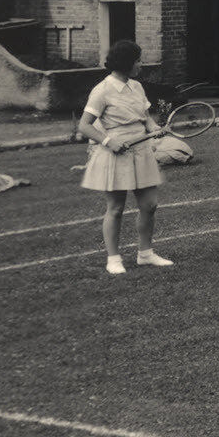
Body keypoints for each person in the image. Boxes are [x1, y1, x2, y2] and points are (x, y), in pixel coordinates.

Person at [77, 40, 173, 273]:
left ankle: (145, 254)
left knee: (149, 205)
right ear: (126, 63)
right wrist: (109, 141)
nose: (141, 65)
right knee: (116, 208)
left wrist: (154, 129)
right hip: (115, 152)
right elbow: (84, 125)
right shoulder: (102, 90)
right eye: (138, 61)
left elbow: (145, 118)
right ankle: (113, 259)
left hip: (141, 150)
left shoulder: (136, 87)